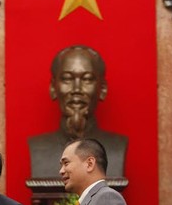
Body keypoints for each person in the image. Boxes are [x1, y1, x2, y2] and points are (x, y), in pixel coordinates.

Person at [28, 45, 128, 179]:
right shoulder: (38, 147)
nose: (76, 89)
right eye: (67, 79)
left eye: (87, 79)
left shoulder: (117, 147)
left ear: (103, 89)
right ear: (53, 88)